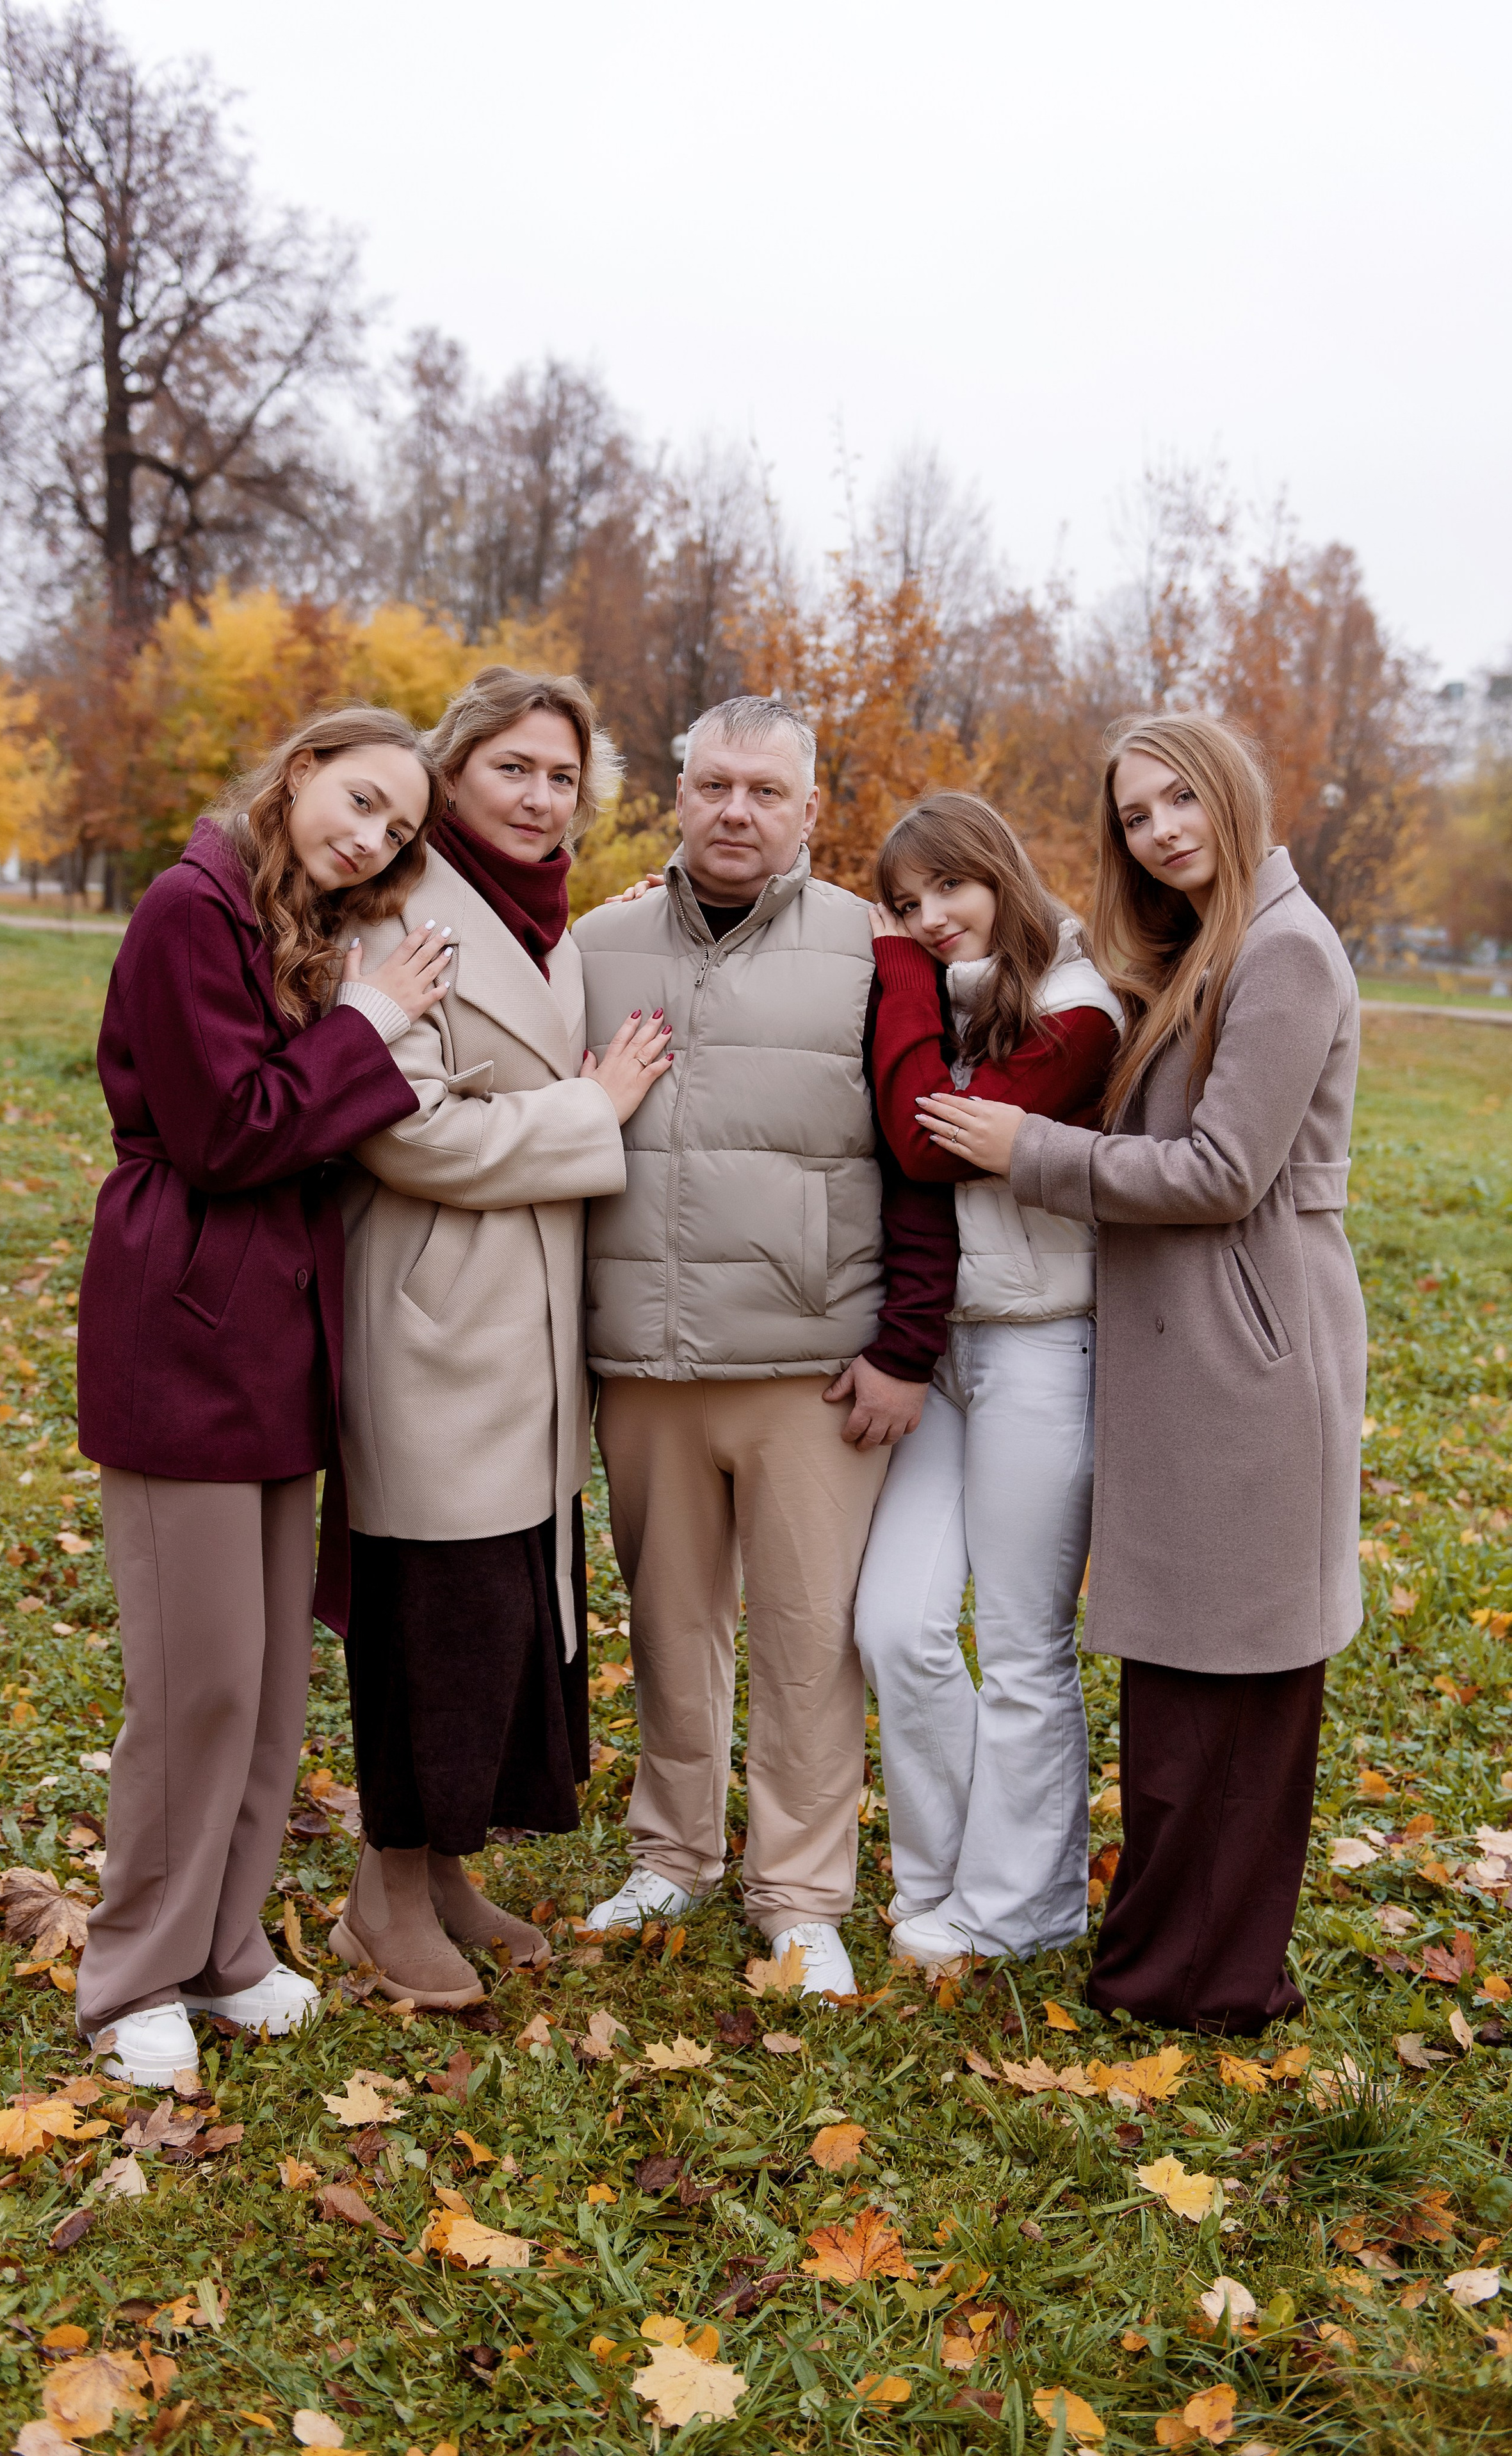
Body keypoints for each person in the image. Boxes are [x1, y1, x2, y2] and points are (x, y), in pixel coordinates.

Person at [930, 713, 1363, 2033]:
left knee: (1233, 1675)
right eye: (1133, 814)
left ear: (1231, 793)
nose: (1161, 828)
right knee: (1183, 1683)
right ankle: (1169, 1959)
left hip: (1245, 1355)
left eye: (1180, 799)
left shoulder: (1283, 950)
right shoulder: (1202, 949)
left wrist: (1027, 1153)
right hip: (1190, 1354)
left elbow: (1221, 1172)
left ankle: (1203, 1979)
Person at [76, 704, 453, 2087]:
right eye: (359, 802)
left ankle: (223, 1947)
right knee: (195, 1682)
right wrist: (369, 1024)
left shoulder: (279, 917)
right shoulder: (190, 907)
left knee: (266, 1677)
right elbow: (228, 1130)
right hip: (184, 1321)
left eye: (397, 832)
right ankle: (132, 1975)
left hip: (276, 1334)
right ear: (299, 773)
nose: (369, 840)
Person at [571, 695, 945, 1999]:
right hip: (648, 1358)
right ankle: (669, 1852)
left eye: (764, 792)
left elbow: (921, 1163)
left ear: (807, 812)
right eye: (712, 785)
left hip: (810, 1366)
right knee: (668, 1625)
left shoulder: (875, 951)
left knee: (804, 1637)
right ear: (675, 793)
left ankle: (799, 1895)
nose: (735, 812)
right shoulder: (596, 941)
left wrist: (905, 1344)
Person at [326, 669, 673, 2008]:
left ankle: (444, 1871)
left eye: (562, 778)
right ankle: (381, 1894)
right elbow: (395, 1126)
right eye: (512, 770)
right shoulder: (398, 912)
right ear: (452, 769)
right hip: (432, 1312)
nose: (540, 799)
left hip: (524, 1324)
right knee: (430, 1611)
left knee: (503, 1610)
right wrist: (591, 1113)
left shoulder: (549, 926)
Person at [854, 793, 1121, 1967]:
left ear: (1002, 872)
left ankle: (1025, 1908)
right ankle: (949, 1874)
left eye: (949, 889)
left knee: (1019, 1645)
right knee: (895, 1625)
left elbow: (927, 1137)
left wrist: (896, 969)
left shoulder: (1080, 1009)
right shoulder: (949, 999)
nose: (931, 919)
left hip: (1038, 1346)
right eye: (907, 905)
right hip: (938, 1350)